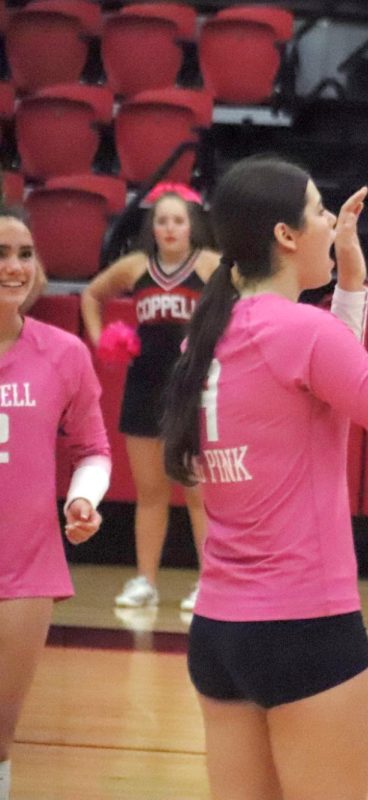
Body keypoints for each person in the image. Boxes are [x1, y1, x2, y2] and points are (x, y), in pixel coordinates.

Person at [159, 159, 368, 800]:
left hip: (218, 634)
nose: (328, 223)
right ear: (286, 236)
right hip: (305, 632)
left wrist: (350, 287)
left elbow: (323, 396)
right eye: (319, 211)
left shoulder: (204, 338)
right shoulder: (303, 333)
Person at [0, 206, 111, 800]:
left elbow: (93, 448)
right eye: (1, 253)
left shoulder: (63, 353)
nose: (14, 267)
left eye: (23, 254)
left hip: (24, 568)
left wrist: (81, 501)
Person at [80, 184, 219, 611]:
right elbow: (91, 295)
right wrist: (102, 338)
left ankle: (211, 584)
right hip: (143, 386)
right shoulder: (136, 267)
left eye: (178, 220)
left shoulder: (212, 264)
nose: (171, 227)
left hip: (192, 389)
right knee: (151, 491)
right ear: (152, 227)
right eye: (162, 220)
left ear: (192, 225)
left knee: (198, 493)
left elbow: (243, 302)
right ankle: (145, 581)